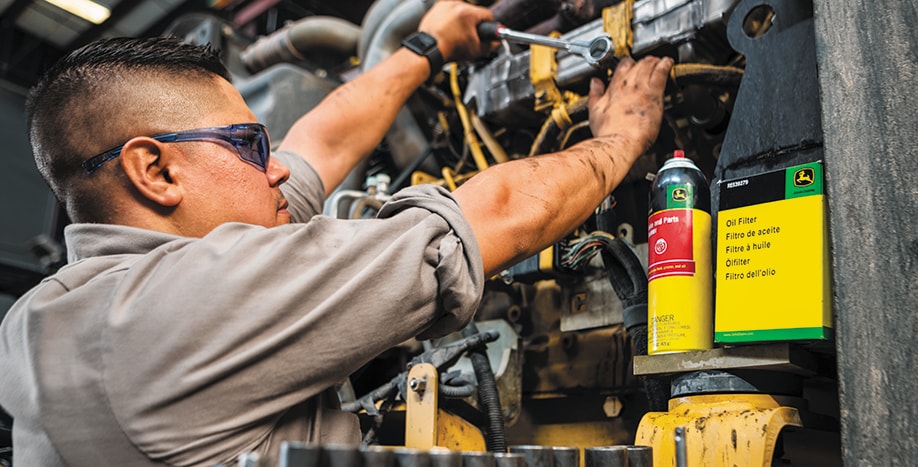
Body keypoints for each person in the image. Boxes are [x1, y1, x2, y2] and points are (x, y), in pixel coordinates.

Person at [0, 0, 673, 464]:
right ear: (155, 169)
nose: (272, 172)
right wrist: (619, 139)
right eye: (246, 145)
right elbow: (490, 214)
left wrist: (424, 47)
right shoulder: (183, 306)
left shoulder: (42, 318)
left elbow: (315, 146)